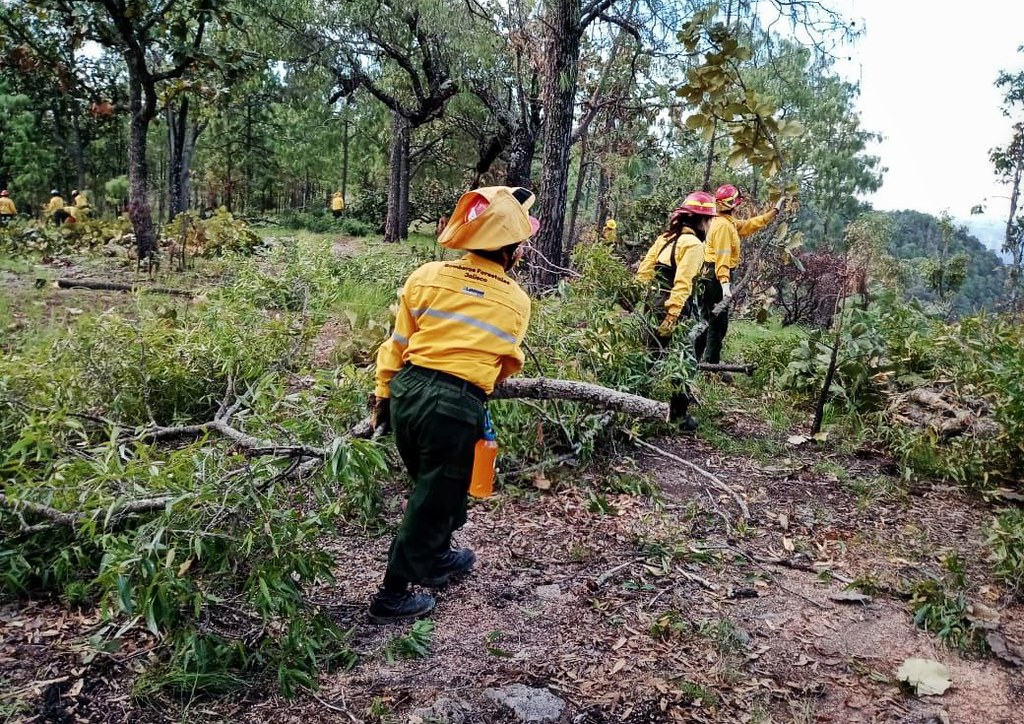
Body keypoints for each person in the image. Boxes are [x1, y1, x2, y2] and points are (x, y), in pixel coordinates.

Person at [367, 185, 539, 623]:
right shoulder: (516, 301)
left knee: (435, 484)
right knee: (430, 497)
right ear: (512, 250)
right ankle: (391, 596)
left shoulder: (426, 276)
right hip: (455, 405)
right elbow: (506, 363)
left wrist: (383, 394)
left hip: (407, 392)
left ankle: (439, 556)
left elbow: (398, 342)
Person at [635, 191, 718, 427]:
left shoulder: (666, 238)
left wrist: (639, 300)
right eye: (709, 220)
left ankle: (633, 404)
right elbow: (683, 284)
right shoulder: (692, 245)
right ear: (702, 221)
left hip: (653, 304)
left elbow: (643, 272)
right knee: (685, 360)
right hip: (676, 309)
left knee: (649, 355)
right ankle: (679, 417)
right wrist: (672, 315)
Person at [694, 185, 785, 369]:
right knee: (717, 323)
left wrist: (773, 211)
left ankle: (697, 362)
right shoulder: (723, 227)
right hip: (715, 277)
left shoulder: (727, 222)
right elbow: (722, 257)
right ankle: (711, 366)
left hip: (714, 275)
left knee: (710, 320)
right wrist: (725, 284)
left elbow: (749, 225)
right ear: (733, 205)